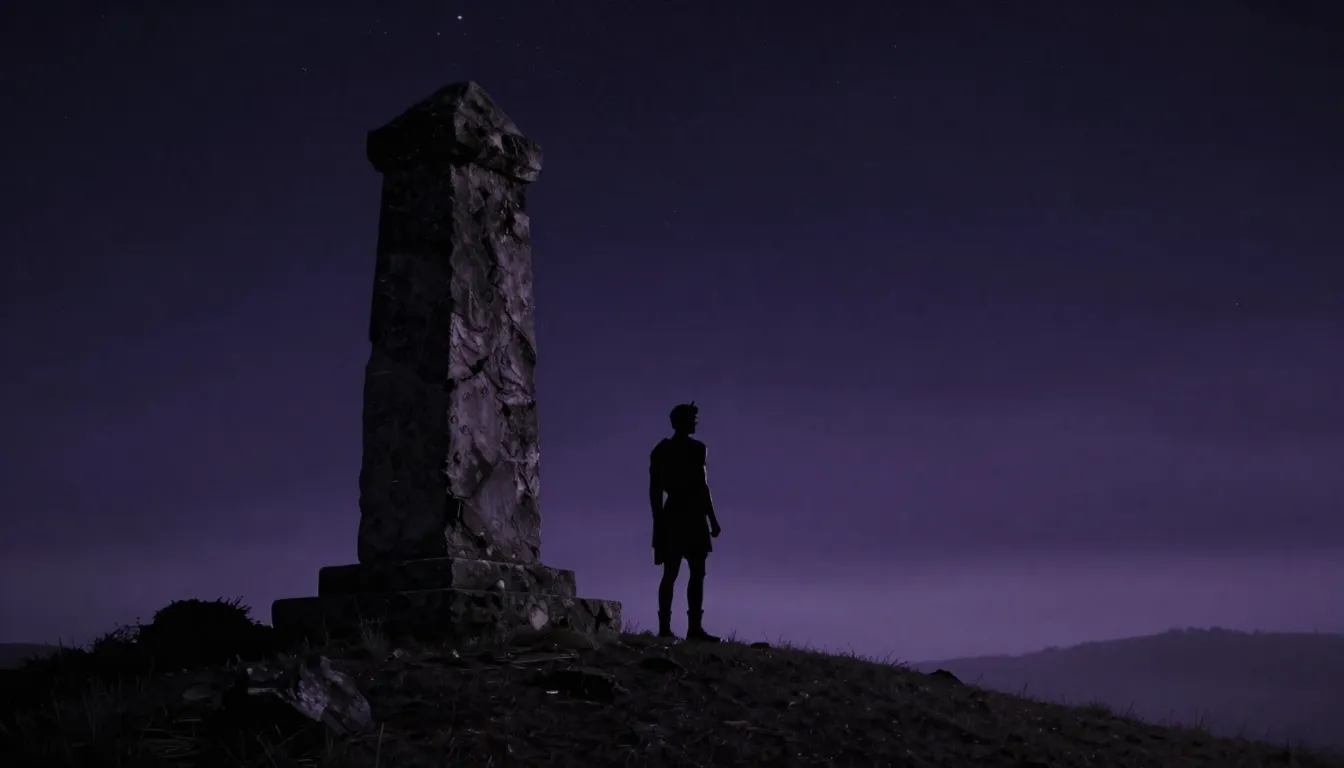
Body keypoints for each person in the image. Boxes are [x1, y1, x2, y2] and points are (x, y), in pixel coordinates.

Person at [649, 401, 722, 642]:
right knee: (677, 573)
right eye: (692, 420)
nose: (695, 423)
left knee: (690, 572)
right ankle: (672, 628)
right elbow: (699, 486)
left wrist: (711, 519)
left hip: (681, 515)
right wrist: (712, 519)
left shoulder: (669, 450)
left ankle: (688, 628)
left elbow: (700, 487)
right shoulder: (682, 450)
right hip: (683, 515)